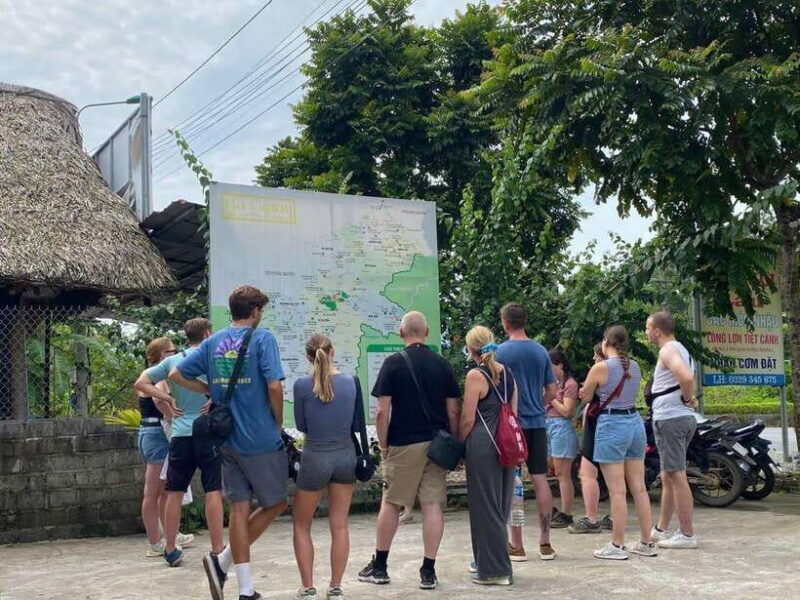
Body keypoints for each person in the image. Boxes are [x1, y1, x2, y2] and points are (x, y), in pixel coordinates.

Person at [171, 285, 287, 600]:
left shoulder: (213, 342)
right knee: (276, 502)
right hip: (259, 436)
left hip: (226, 437)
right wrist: (277, 421)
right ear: (254, 312)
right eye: (260, 310)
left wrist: (210, 392)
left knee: (238, 508)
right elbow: (275, 387)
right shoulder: (263, 339)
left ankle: (244, 587)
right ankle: (222, 562)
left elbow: (177, 375)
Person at [357, 311, 461, 590]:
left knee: (391, 503)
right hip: (437, 445)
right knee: (432, 505)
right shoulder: (442, 364)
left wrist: (383, 445)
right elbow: (453, 409)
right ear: (426, 332)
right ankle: (428, 571)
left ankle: (380, 566)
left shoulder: (392, 364)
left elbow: (381, 412)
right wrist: (452, 440)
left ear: (401, 333)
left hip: (403, 443)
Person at [134, 318, 222, 569]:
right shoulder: (213, 359)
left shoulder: (173, 360)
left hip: (181, 432)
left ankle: (170, 548)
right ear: (207, 334)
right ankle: (218, 549)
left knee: (174, 491)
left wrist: (167, 397)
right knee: (213, 490)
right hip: (207, 429)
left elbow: (141, 382)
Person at [580, 325, 656, 560]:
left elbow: (586, 394)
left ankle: (618, 544)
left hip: (612, 424)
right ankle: (646, 542)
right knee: (639, 488)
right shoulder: (635, 367)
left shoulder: (599, 368)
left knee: (617, 491)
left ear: (605, 342)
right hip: (634, 423)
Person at [292, 334, 358, 600]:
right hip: (345, 455)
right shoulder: (351, 382)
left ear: (309, 356)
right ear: (332, 351)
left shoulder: (301, 385)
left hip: (315, 455)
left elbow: (301, 426)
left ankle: (308, 588)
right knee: (339, 524)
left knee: (301, 525)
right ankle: (336, 586)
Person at [495, 303, 557, 561]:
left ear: (505, 322)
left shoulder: (499, 352)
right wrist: (538, 406)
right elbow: (552, 392)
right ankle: (545, 543)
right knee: (541, 479)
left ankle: (516, 544)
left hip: (511, 425)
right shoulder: (541, 351)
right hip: (538, 424)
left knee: (513, 481)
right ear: (525, 320)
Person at [459, 326, 518, 586]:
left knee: (485, 507)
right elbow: (513, 413)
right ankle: (494, 563)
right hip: (507, 444)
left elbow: (467, 418)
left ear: (471, 349)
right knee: (500, 505)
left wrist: (460, 445)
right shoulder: (509, 374)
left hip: (483, 444)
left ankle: (495, 571)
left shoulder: (475, 375)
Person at [646, 311, 699, 549]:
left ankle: (687, 534)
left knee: (677, 475)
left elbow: (686, 378)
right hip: (679, 418)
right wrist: (688, 399)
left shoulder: (668, 350)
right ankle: (661, 529)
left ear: (657, 330)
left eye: (648, 328)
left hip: (671, 419)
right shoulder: (682, 349)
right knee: (668, 474)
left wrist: (687, 398)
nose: (646, 332)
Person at [136, 337, 176, 558]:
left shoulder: (148, 375)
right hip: (156, 434)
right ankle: (155, 541)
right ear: (162, 354)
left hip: (147, 433)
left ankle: (168, 533)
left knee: (162, 490)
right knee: (153, 492)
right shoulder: (157, 376)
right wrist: (173, 416)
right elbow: (160, 402)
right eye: (171, 350)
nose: (174, 354)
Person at [569, 343, 613, 534]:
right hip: (622, 423)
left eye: (596, 356)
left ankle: (591, 518)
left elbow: (585, 395)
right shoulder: (629, 369)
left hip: (597, 424)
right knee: (617, 477)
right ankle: (614, 517)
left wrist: (584, 391)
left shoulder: (600, 370)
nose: (594, 360)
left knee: (587, 473)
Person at [547, 350, 579, 529]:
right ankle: (551, 509)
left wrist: (551, 398)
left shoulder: (570, 384)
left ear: (559, 364)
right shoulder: (551, 383)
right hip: (547, 425)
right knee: (547, 471)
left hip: (560, 426)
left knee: (562, 474)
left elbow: (567, 411)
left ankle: (566, 513)